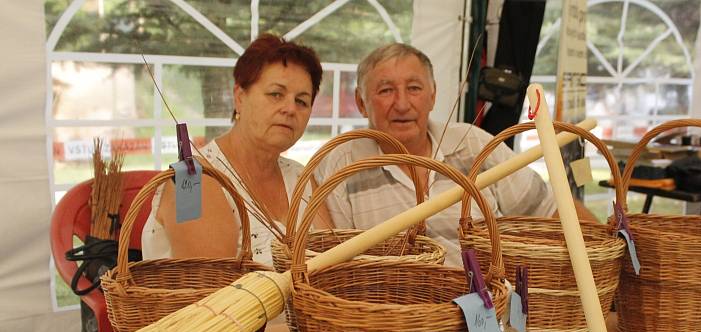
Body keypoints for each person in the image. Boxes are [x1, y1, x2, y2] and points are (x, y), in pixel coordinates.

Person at [315, 43, 596, 265]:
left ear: (433, 95)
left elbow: (549, 209)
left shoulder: (472, 144)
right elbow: (334, 264)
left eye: (414, 88)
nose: (401, 104)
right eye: (386, 90)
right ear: (361, 103)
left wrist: (608, 245)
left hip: (491, 312)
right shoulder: (343, 165)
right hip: (393, 320)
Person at [143, 33, 332, 266]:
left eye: (302, 101)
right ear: (240, 97)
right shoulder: (190, 181)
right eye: (276, 94)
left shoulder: (301, 179)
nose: (290, 109)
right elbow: (212, 292)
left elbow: (334, 267)